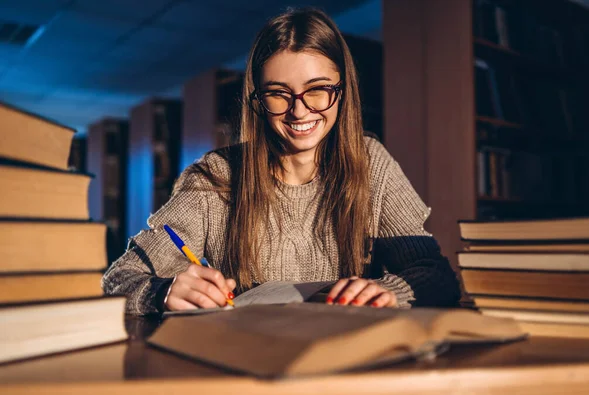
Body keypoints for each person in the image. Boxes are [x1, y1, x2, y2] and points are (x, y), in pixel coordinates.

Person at [102, 8, 461, 315]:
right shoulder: (215, 179)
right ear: (256, 99)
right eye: (278, 94)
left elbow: (435, 274)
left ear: (342, 90)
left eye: (318, 89)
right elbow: (118, 278)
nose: (299, 109)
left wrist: (390, 292)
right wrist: (161, 292)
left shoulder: (371, 163)